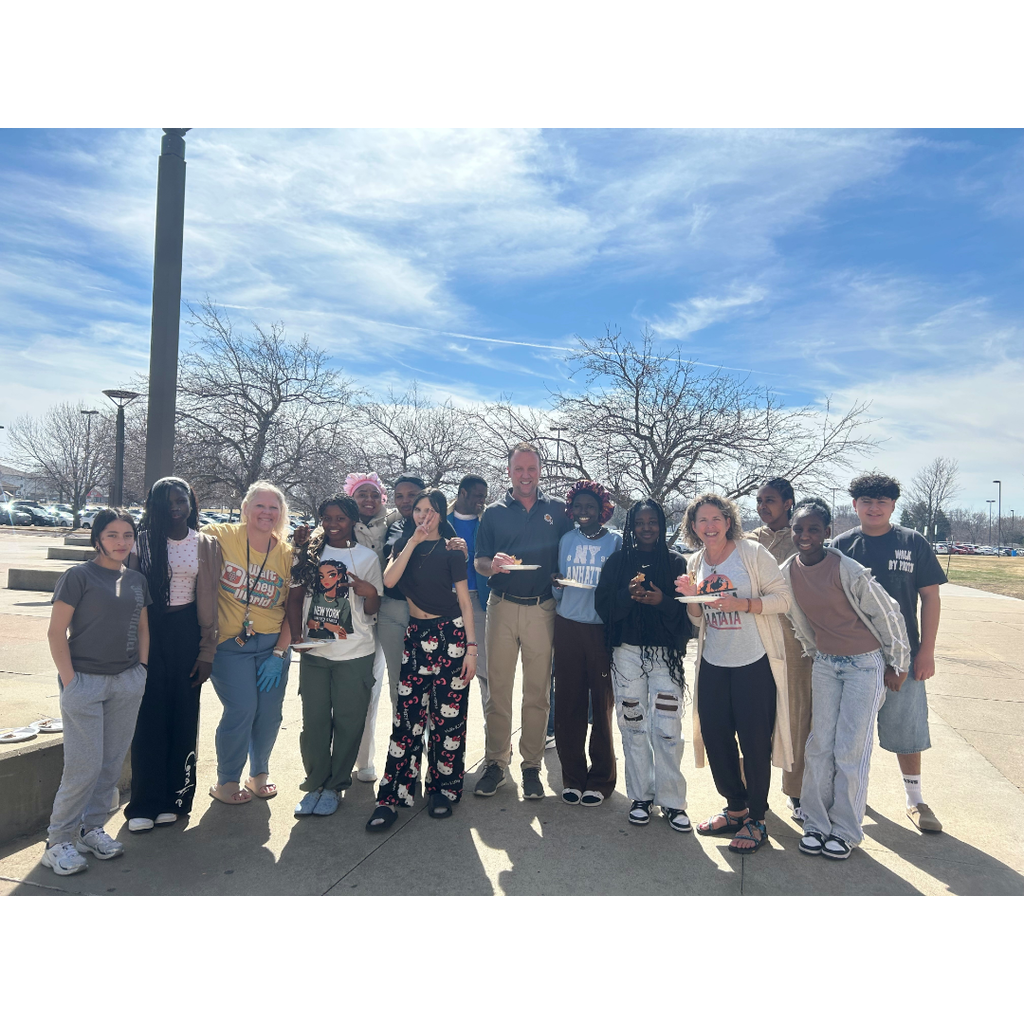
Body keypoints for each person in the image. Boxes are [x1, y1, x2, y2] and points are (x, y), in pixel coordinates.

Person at [779, 498, 910, 860]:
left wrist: (898, 664)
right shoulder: (787, 570)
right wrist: (813, 650)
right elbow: (796, 618)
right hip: (825, 664)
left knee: (850, 748)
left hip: (863, 665)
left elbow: (889, 613)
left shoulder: (847, 569)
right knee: (819, 745)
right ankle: (816, 823)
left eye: (814, 529)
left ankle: (846, 829)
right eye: (799, 529)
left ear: (827, 532)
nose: (805, 536)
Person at [675, 493, 792, 855]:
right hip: (714, 662)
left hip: (754, 662)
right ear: (693, 527)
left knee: (754, 741)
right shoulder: (695, 562)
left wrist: (743, 604)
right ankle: (735, 808)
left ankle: (756, 818)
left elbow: (783, 599)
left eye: (715, 519)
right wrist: (694, 599)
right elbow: (698, 619)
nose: (709, 527)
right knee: (715, 737)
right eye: (701, 521)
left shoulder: (752, 554)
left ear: (728, 521)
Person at [831, 472, 948, 833]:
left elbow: (930, 597)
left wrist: (925, 651)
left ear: (893, 505)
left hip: (903, 655)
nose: (874, 507)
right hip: (853, 657)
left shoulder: (913, 542)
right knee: (849, 732)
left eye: (882, 501)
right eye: (866, 501)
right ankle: (850, 795)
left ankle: (915, 800)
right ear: (855, 505)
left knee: (906, 730)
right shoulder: (841, 546)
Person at [42, 509, 150, 875]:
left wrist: (142, 670)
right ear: (97, 538)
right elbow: (57, 632)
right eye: (112, 535)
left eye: (127, 535)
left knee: (110, 763)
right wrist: (71, 681)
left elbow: (143, 628)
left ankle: (92, 829)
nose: (121, 542)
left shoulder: (136, 579)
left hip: (126, 681)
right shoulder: (78, 577)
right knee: (83, 766)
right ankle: (58, 841)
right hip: (85, 681)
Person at [366, 489, 478, 830]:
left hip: (451, 637)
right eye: (418, 510)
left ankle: (443, 790)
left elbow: (464, 602)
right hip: (416, 638)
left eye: (430, 511)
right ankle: (392, 795)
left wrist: (471, 648)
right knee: (407, 718)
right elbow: (388, 581)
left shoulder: (452, 550)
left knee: (448, 722)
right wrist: (413, 541)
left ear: (442, 515)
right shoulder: (404, 546)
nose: (423, 515)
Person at [473, 443, 572, 798]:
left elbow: (572, 551)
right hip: (501, 605)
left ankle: (531, 766)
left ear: (540, 471)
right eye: (519, 469)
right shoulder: (495, 513)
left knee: (537, 692)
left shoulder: (559, 510)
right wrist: (493, 565)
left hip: (543, 608)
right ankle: (496, 763)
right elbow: (479, 562)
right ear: (510, 471)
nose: (525, 475)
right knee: (497, 690)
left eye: (531, 469)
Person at [124, 477, 220, 833]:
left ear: (191, 503)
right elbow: (130, 594)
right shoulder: (143, 541)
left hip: (187, 633)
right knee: (149, 716)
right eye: (166, 502)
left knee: (183, 714)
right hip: (151, 631)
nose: (175, 507)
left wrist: (206, 650)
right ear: (154, 506)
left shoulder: (205, 544)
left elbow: (210, 599)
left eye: (181, 500)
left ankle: (175, 799)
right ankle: (143, 803)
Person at [595, 499, 691, 828]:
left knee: (667, 729)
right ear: (631, 526)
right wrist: (628, 595)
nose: (646, 528)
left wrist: (662, 601)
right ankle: (641, 796)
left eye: (652, 522)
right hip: (627, 654)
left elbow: (687, 615)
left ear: (662, 526)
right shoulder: (618, 562)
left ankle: (673, 801)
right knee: (633, 725)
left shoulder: (677, 562)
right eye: (640, 522)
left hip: (666, 656)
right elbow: (603, 606)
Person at [287, 494, 383, 816]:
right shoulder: (311, 554)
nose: (333, 525)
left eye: (340, 518)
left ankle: (335, 785)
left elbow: (372, 611)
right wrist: (298, 638)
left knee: (348, 721)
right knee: (313, 722)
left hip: (355, 652)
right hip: (315, 653)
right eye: (327, 518)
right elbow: (295, 596)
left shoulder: (367, 558)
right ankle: (314, 783)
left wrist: (369, 593)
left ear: (352, 521)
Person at [202, 481, 293, 806]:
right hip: (230, 645)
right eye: (260, 506)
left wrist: (280, 652)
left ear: (281, 513)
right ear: (246, 508)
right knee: (242, 708)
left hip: (273, 648)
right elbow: (183, 542)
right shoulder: (222, 536)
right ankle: (226, 780)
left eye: (273, 507)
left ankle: (259, 775)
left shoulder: (285, 552)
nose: (266, 513)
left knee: (269, 714)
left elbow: (293, 610)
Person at [748, 477, 814, 822]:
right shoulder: (747, 541)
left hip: (794, 645)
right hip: (754, 640)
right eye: (759, 500)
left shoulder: (804, 538)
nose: (762, 506)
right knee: (750, 719)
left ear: (788, 502)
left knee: (795, 719)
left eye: (770, 500)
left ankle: (797, 791)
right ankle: (747, 792)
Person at [552, 480, 621, 806]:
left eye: (589, 507)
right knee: (568, 703)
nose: (583, 512)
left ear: (602, 510)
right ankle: (573, 776)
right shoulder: (566, 539)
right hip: (567, 626)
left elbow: (620, 586)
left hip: (600, 630)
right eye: (577, 506)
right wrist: (556, 585)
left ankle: (601, 779)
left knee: (602, 705)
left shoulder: (616, 542)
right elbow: (560, 585)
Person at [344, 470, 390, 784]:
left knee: (371, 691)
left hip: (382, 619)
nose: (369, 500)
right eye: (362, 495)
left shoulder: (394, 525)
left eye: (374, 495)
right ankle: (339, 759)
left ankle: (364, 761)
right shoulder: (340, 526)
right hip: (346, 619)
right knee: (344, 694)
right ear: (352, 498)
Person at [447, 474, 490, 720]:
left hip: (479, 602)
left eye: (484, 497)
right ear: (462, 493)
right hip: (447, 601)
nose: (482, 501)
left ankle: (495, 746)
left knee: (485, 671)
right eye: (477, 496)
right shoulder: (442, 521)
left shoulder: (487, 523)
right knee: (450, 670)